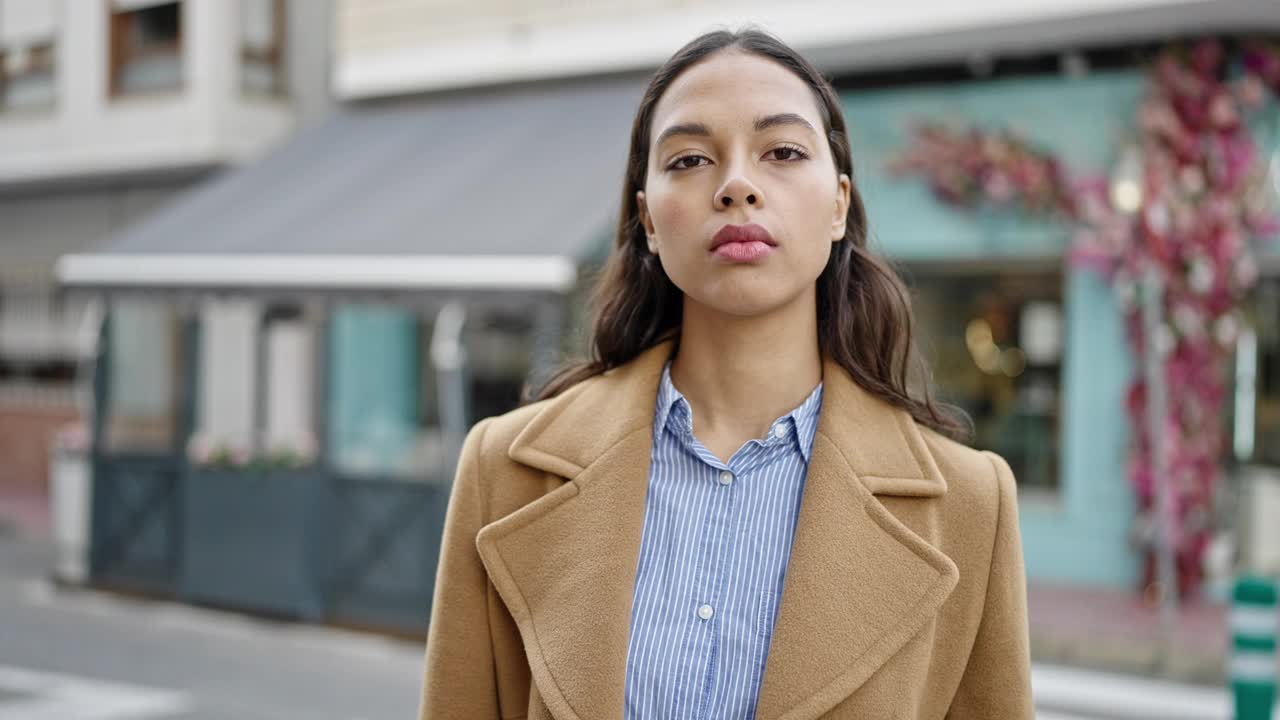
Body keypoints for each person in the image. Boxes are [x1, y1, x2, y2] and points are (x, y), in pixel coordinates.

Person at [419, 27, 1033, 720]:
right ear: (648, 216)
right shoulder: (503, 471)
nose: (737, 184)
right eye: (688, 159)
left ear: (838, 204)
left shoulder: (970, 505)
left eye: (783, 151)